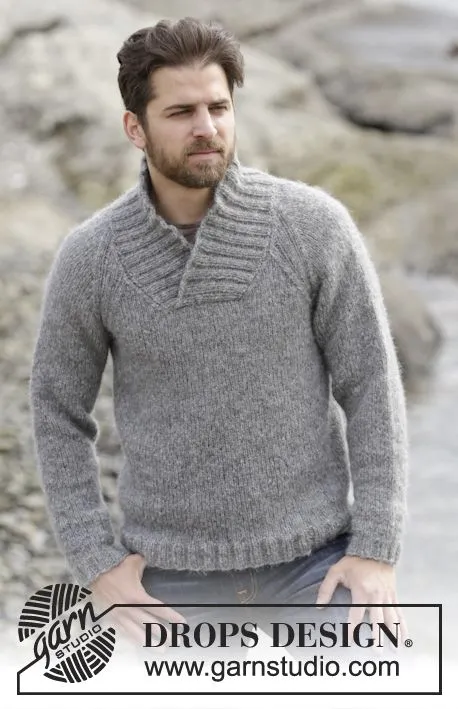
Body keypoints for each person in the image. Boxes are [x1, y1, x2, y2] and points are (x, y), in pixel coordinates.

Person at [29, 16, 408, 657]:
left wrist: (376, 548)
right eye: (181, 112)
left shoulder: (313, 227)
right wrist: (97, 563)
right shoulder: (91, 258)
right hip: (168, 582)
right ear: (134, 128)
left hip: (318, 566)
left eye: (219, 107)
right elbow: (56, 410)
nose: (206, 127)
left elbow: (371, 383)